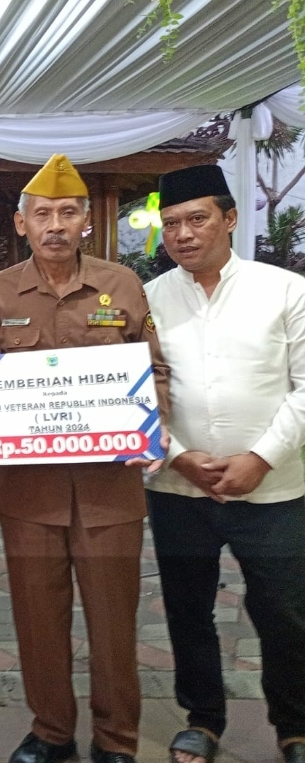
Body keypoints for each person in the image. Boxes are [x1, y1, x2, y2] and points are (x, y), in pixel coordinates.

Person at [0, 155, 169, 763]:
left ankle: (116, 741)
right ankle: (52, 731)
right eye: (43, 214)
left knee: (112, 623)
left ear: (86, 221)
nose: (55, 224)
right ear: (21, 223)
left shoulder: (123, 285)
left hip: (109, 492)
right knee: (37, 619)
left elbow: (153, 370)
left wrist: (148, 421)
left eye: (68, 212)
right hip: (28, 496)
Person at [144, 165, 305, 763]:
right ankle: (203, 720)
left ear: (229, 218)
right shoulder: (149, 299)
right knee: (187, 610)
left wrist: (261, 458)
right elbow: (133, 394)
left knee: (286, 612)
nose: (183, 234)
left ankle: (295, 727)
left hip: (274, 488)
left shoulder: (284, 290)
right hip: (178, 489)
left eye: (196, 219)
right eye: (171, 225)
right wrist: (178, 457)